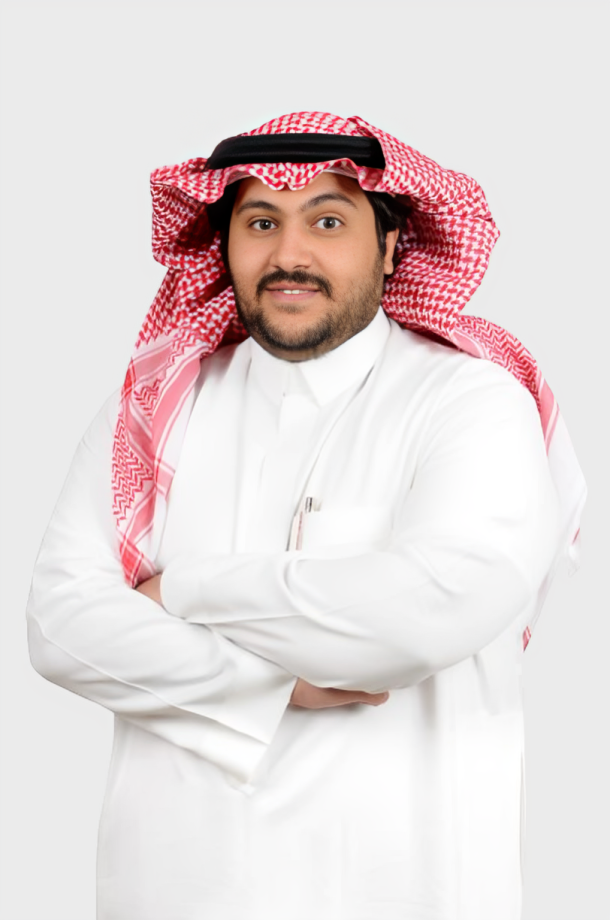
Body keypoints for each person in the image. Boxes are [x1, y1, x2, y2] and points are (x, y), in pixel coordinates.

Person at [26, 112, 586, 920]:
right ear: (224, 245)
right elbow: (60, 627)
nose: (290, 255)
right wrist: (274, 684)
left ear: (390, 246)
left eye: (328, 221)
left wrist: (177, 592)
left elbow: (426, 616)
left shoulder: (471, 402)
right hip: (174, 893)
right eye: (261, 223)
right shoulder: (156, 408)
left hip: (405, 892)